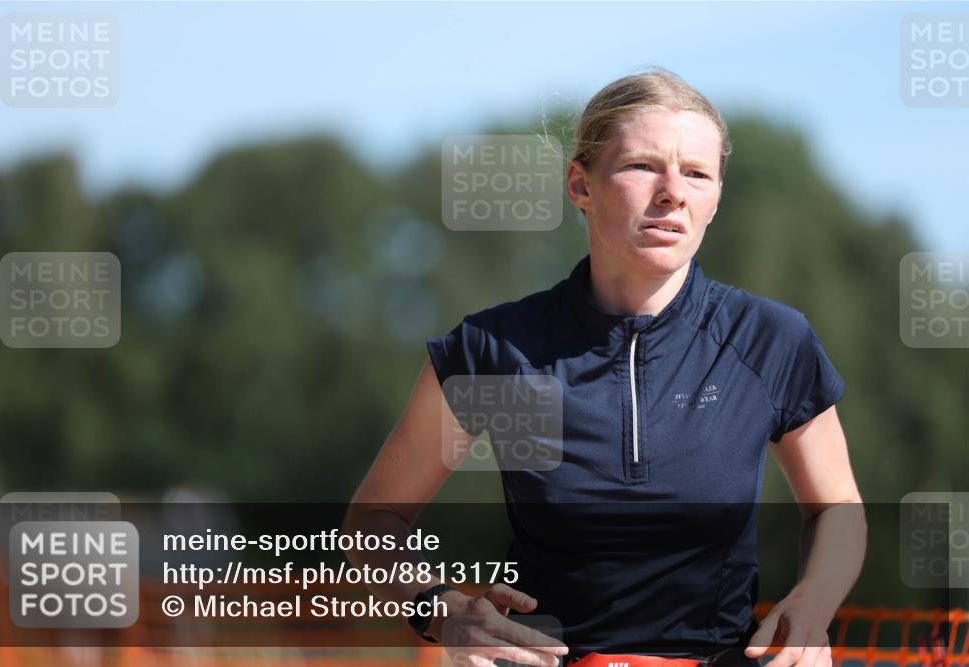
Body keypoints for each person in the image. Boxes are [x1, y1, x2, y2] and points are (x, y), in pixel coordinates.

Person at [343, 69, 866, 667]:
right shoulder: (494, 349)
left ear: (716, 198)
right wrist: (440, 608)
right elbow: (373, 520)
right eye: (643, 166)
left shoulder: (772, 340)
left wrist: (814, 603)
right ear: (579, 185)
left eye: (697, 173)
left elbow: (836, 510)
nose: (673, 191)